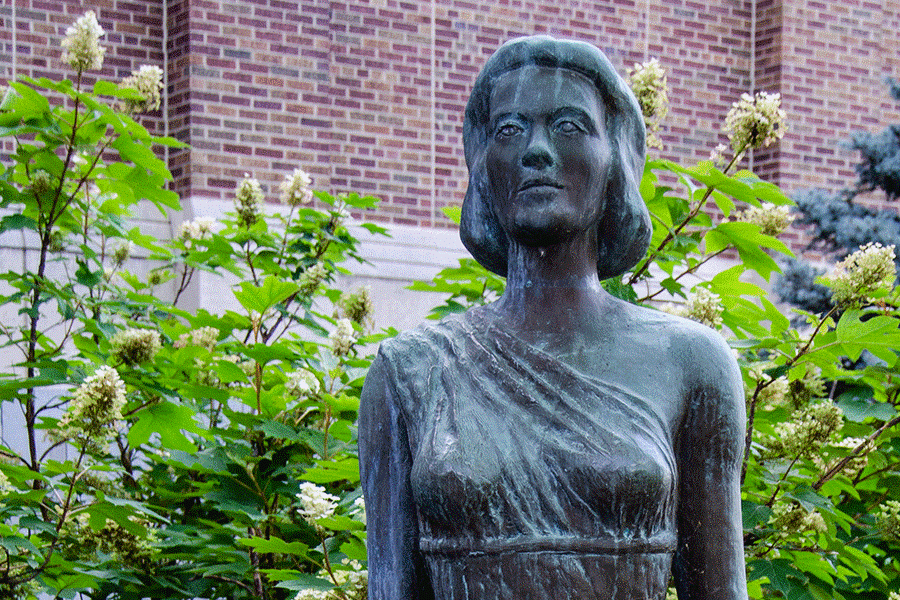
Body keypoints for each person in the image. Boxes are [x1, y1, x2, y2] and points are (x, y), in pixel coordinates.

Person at [359, 35, 747, 600]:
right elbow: (390, 588)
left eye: (569, 127)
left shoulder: (691, 364)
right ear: (483, 164)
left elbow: (718, 590)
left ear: (614, 156)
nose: (535, 151)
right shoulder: (411, 372)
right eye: (509, 131)